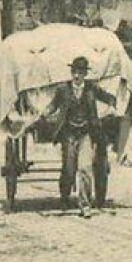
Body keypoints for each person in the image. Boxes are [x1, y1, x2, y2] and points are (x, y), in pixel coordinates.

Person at [43, 56, 115, 216]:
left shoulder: (91, 89)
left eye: (80, 72)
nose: (77, 75)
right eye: (74, 72)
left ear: (85, 74)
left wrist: (113, 104)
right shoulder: (63, 89)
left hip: (86, 133)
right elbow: (54, 105)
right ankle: (65, 195)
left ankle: (85, 205)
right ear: (71, 72)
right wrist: (46, 111)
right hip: (68, 134)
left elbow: (107, 97)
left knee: (85, 168)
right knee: (69, 169)